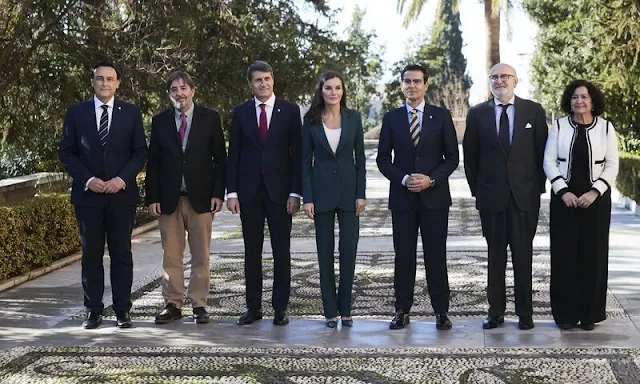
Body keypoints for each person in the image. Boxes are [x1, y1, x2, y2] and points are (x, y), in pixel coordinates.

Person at [58, 61, 148, 329]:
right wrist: (88, 180)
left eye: (110, 79)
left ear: (117, 83)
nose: (105, 83)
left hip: (121, 196)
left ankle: (122, 310)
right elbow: (66, 152)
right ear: (93, 82)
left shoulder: (131, 113)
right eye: (100, 78)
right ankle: (93, 310)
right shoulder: (77, 112)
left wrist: (121, 179)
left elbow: (140, 152)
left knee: (122, 254)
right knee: (91, 255)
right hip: (88, 197)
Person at [463, 63, 548, 331]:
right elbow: (470, 158)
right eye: (495, 77)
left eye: (505, 76)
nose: (500, 81)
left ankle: (525, 313)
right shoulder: (477, 114)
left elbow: (541, 154)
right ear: (489, 81)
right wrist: (479, 192)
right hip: (492, 200)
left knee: (523, 257)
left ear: (516, 80)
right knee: (495, 257)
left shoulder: (532, 110)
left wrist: (536, 189)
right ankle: (495, 312)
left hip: (524, 199)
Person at [376, 64, 459, 330]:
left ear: (426, 85)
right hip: (403, 199)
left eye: (417, 81)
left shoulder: (441, 116)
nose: (411, 85)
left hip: (435, 199)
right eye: (407, 81)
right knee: (404, 256)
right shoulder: (391, 119)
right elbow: (382, 160)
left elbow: (452, 158)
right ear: (401, 85)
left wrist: (431, 179)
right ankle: (401, 309)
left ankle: (441, 311)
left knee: (436, 255)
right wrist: (403, 178)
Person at [145, 71, 227, 325]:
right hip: (169, 199)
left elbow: (220, 161)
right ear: (169, 94)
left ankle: (199, 304)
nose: (179, 93)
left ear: (193, 90)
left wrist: (218, 194)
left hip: (201, 198)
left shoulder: (210, 119)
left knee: (201, 255)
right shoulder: (159, 121)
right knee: (171, 255)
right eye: (173, 89)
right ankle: (173, 304)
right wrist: (152, 197)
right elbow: (154, 163)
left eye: (183, 88)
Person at [226, 60, 302, 326]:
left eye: (267, 78)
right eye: (258, 80)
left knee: (282, 251)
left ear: (273, 80)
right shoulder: (241, 112)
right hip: (249, 193)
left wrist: (296, 192)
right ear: (250, 83)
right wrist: (231, 192)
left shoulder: (290, 111)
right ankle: (253, 307)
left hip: (281, 194)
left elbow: (297, 155)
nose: (264, 83)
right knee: (252, 252)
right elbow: (233, 154)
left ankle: (280, 308)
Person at [543, 80, 618, 331]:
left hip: (595, 202)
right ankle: (565, 315)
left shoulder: (606, 128)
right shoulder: (559, 126)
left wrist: (594, 192)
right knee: (564, 257)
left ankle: (589, 315)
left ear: (593, 100)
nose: (579, 101)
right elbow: (549, 161)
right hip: (564, 201)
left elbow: (612, 165)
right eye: (575, 97)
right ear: (569, 101)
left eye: (584, 97)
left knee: (593, 256)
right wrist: (562, 191)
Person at [301, 71, 366, 328]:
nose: (333, 92)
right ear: (321, 90)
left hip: (350, 195)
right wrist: (308, 198)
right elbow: (305, 163)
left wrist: (361, 194)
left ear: (343, 91)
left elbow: (360, 160)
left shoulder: (354, 118)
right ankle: (330, 310)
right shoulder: (311, 120)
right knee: (324, 253)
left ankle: (346, 309)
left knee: (348, 251)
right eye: (328, 88)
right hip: (321, 194)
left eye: (338, 88)